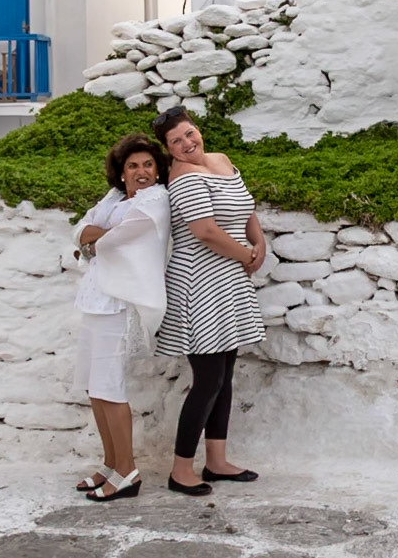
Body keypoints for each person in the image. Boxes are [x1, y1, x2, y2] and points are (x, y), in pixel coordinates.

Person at [152, 107, 268, 496]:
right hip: (198, 283)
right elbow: (203, 230)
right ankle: (180, 469)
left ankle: (216, 461)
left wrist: (259, 242)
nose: (187, 144)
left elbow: (244, 205)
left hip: (229, 279)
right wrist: (245, 255)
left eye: (189, 133)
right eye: (176, 142)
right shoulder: (182, 178)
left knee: (226, 375)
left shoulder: (221, 161)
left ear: (198, 129)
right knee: (208, 379)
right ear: (168, 150)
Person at [71, 133, 172, 502]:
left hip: (121, 302)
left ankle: (128, 471)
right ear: (121, 172)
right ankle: (111, 464)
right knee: (94, 386)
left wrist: (94, 239)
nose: (141, 171)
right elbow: (79, 229)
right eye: (133, 166)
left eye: (148, 164)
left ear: (158, 169)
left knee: (111, 386)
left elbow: (110, 241)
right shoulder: (115, 198)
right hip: (95, 299)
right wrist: (94, 237)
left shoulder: (156, 201)